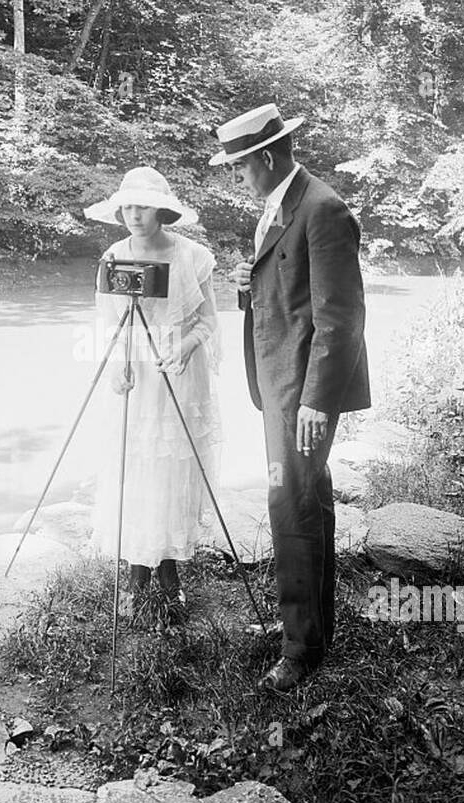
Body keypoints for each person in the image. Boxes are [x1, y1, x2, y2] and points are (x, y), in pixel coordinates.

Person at [209, 103, 370, 692]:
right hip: (281, 384)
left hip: (303, 391)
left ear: (268, 158)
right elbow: (292, 287)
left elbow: (342, 319)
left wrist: (315, 402)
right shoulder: (283, 204)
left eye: (241, 168)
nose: (237, 178)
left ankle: (300, 651)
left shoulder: (322, 209)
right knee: (306, 499)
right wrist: (252, 288)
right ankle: (312, 630)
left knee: (289, 503)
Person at [83, 166, 222, 622]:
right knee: (135, 468)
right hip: (136, 379)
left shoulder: (193, 257)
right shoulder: (112, 256)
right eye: (127, 206)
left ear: (161, 210)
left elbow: (208, 321)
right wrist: (116, 369)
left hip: (177, 374)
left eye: (142, 206)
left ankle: (168, 573)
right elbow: (107, 326)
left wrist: (182, 348)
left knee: (171, 470)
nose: (133, 215)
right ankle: (134, 572)